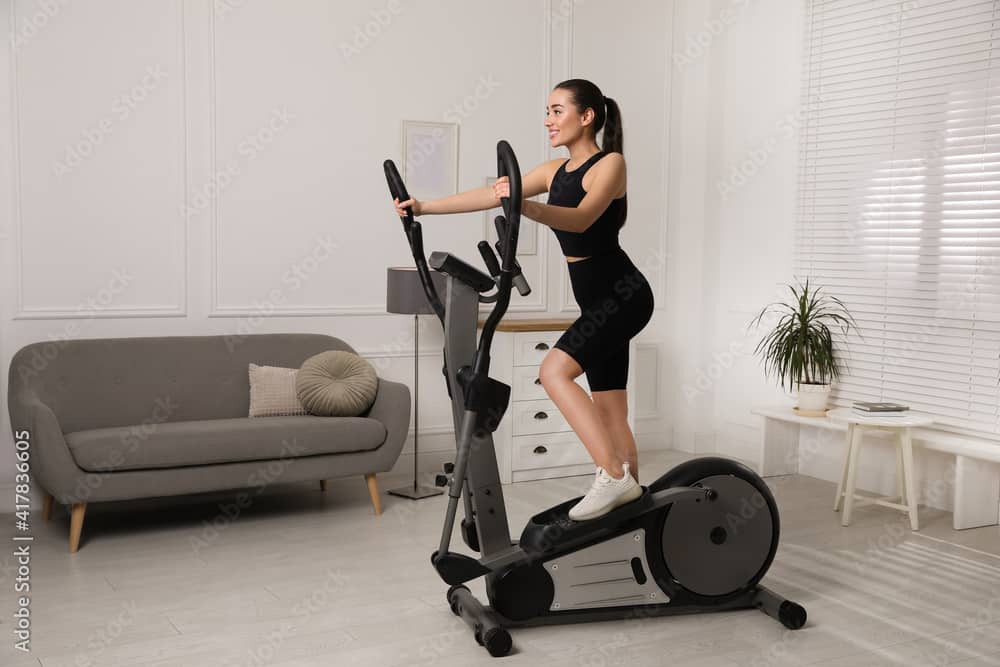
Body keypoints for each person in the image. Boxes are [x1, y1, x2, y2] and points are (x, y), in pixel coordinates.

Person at [393, 79, 654, 521]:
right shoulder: (554, 170)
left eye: (556, 110)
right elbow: (490, 193)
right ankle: (635, 511)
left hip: (622, 293)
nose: (548, 120)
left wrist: (523, 207)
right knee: (611, 410)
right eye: (547, 111)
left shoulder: (611, 165)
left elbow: (583, 219)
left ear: (586, 116)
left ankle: (612, 477)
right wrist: (424, 207)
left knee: (553, 371)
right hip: (598, 302)